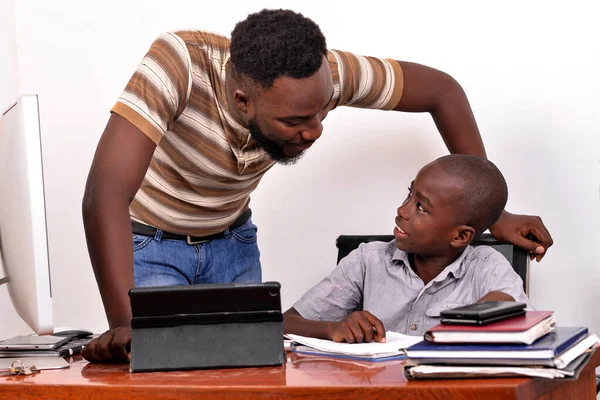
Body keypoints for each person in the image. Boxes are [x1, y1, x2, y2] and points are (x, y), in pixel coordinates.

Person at [81, 9, 550, 362]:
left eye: (324, 110)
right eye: (297, 120)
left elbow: (442, 91)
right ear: (243, 100)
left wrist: (494, 215)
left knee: (251, 374)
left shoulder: (324, 76)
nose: (316, 129)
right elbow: (105, 194)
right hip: (150, 242)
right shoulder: (177, 64)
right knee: (166, 377)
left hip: (232, 241)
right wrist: (126, 326)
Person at [284, 154, 530, 342]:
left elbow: (513, 312)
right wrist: (332, 328)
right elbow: (285, 323)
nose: (402, 211)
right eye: (409, 195)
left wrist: (484, 314)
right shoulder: (368, 260)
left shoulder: (485, 266)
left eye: (421, 207)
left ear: (460, 236)